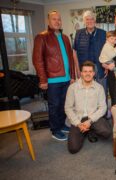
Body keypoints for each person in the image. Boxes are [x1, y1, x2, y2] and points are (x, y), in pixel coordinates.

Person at [32, 10, 75, 141]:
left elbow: (70, 59)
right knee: (54, 105)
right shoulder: (42, 37)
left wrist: (72, 76)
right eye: (54, 19)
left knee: (63, 104)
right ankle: (55, 130)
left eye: (59, 19)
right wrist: (43, 79)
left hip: (66, 78)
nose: (57, 21)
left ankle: (61, 125)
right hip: (52, 80)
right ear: (48, 21)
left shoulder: (65, 37)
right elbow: (37, 60)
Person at [65, 61, 111, 154]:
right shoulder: (72, 88)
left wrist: (89, 121)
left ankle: (90, 130)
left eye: (90, 71)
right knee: (73, 149)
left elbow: (103, 107)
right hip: (78, 118)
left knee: (107, 132)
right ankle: (84, 131)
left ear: (94, 73)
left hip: (92, 117)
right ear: (81, 73)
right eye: (85, 71)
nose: (87, 74)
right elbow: (68, 108)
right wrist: (78, 124)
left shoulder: (99, 88)